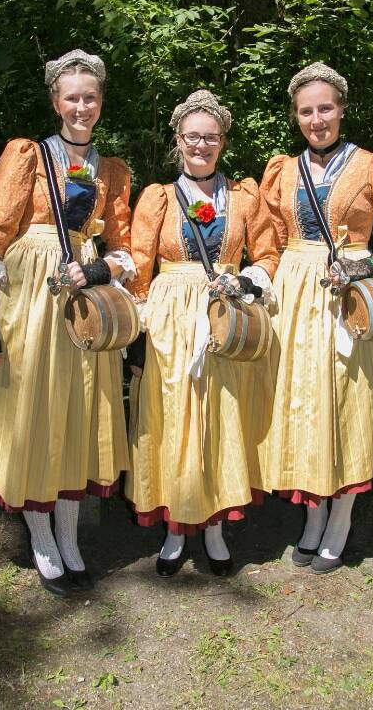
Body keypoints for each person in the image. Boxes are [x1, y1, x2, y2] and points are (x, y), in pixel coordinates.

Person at [0, 49, 135, 596]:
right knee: (33, 411)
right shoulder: (26, 155)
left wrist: (96, 267)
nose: (82, 106)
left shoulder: (113, 170)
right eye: (72, 97)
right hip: (29, 290)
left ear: (101, 103)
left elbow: (125, 249)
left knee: (78, 411)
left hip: (81, 295)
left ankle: (71, 537)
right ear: (56, 101)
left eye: (90, 97)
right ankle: (43, 540)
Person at [260, 62, 373, 574]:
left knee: (346, 400)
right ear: (296, 115)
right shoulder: (282, 172)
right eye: (307, 110)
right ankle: (313, 518)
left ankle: (340, 522)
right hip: (294, 296)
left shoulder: (372, 167)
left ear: (342, 109)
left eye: (326, 108)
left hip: (349, 298)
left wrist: (371, 262)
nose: (317, 119)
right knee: (305, 404)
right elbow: (268, 242)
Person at [126, 90, 279, 577]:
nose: (201, 145)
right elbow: (139, 266)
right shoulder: (156, 198)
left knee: (222, 417)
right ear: (178, 140)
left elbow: (269, 255)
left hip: (225, 316)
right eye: (193, 136)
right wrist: (141, 326)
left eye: (211, 138)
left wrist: (245, 279)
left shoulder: (243, 197)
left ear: (223, 142)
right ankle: (174, 527)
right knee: (173, 416)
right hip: (171, 320)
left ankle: (214, 527)